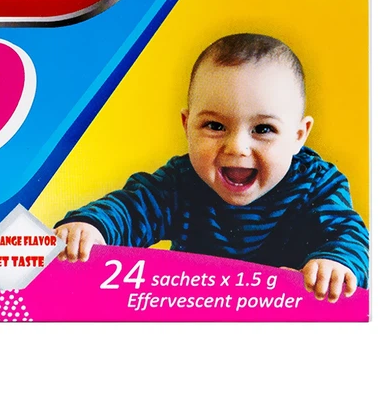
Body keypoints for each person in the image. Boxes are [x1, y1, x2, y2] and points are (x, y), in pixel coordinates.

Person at [55, 33, 369, 303]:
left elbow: (348, 234)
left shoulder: (317, 185)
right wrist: (91, 227)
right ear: (187, 125)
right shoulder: (181, 183)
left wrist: (335, 263)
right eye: (215, 126)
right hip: (199, 315)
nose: (237, 147)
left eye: (263, 129)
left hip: (284, 321)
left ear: (298, 136)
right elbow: (131, 208)